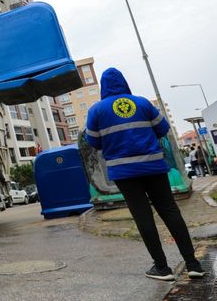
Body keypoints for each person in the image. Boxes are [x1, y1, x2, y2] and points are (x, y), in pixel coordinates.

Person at [85, 68, 205, 281]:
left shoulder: (96, 110)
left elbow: (93, 141)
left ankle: (162, 268)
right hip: (153, 166)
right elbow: (163, 128)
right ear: (124, 82)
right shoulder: (142, 103)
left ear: (103, 87)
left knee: (143, 216)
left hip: (124, 172)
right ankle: (193, 264)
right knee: (169, 210)